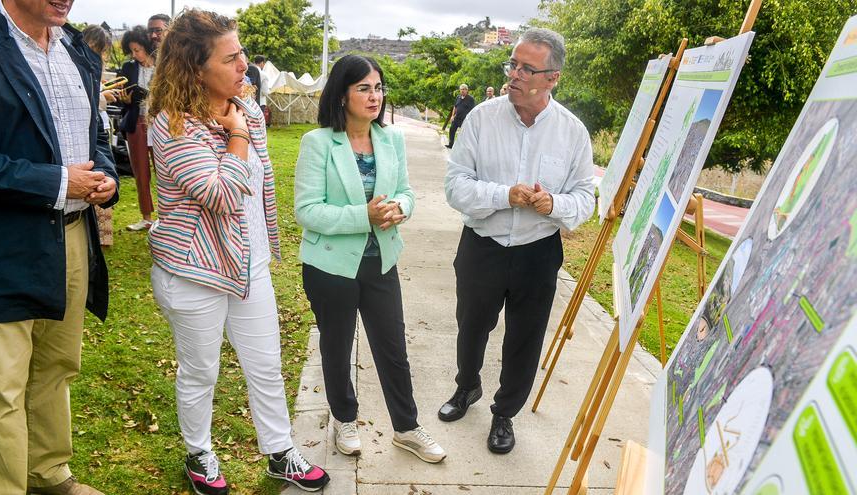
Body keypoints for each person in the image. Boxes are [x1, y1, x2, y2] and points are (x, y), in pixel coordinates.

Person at [147, 9, 329, 494]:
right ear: (194, 68)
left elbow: (261, 185)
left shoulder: (245, 109)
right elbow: (223, 193)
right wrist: (236, 135)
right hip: (194, 270)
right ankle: (199, 452)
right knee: (201, 370)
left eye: (242, 53)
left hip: (248, 264)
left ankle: (280, 451)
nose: (243, 65)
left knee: (266, 363)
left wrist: (265, 245)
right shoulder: (173, 125)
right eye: (230, 58)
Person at [0, 0, 120, 492]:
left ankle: (48, 474)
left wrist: (105, 177)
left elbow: (92, 139)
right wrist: (57, 181)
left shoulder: (75, 47)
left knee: (57, 366)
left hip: (73, 235)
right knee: (1, 386)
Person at [440, 28, 595, 454]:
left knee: (525, 338)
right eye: (513, 64)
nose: (515, 74)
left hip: (538, 253)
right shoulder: (481, 118)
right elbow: (455, 187)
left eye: (528, 68)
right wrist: (503, 194)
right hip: (482, 246)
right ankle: (467, 386)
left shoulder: (572, 132)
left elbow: (586, 200)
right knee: (471, 326)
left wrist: (551, 204)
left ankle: (504, 413)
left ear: (553, 78)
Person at [295, 54, 446, 464]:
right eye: (363, 87)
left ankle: (407, 427)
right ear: (342, 94)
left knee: (393, 348)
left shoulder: (391, 139)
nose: (374, 95)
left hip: (381, 260)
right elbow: (307, 210)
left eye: (378, 87)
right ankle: (344, 418)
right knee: (337, 347)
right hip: (330, 267)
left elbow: (407, 191)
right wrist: (364, 215)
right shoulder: (319, 142)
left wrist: (401, 207)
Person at [83, 24, 118, 247]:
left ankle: (103, 235)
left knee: (104, 178)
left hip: (102, 128)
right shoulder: (82, 62)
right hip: (92, 129)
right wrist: (103, 96)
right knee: (95, 180)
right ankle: (98, 234)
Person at [119, 26, 156, 231]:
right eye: (131, 50)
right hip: (137, 122)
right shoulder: (128, 68)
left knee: (166, 171)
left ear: (146, 46)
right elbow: (124, 98)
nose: (134, 54)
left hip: (160, 123)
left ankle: (169, 218)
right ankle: (147, 217)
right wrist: (125, 99)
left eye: (137, 50)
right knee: (141, 171)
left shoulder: (163, 66)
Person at [445, 83, 475, 148]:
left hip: (465, 120)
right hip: (456, 118)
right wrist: (452, 116)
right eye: (461, 89)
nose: (462, 91)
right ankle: (451, 144)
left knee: (464, 134)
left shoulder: (471, 99)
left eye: (464, 89)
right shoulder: (458, 97)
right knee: (452, 130)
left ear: (467, 90)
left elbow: (473, 110)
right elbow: (455, 107)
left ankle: (464, 147)